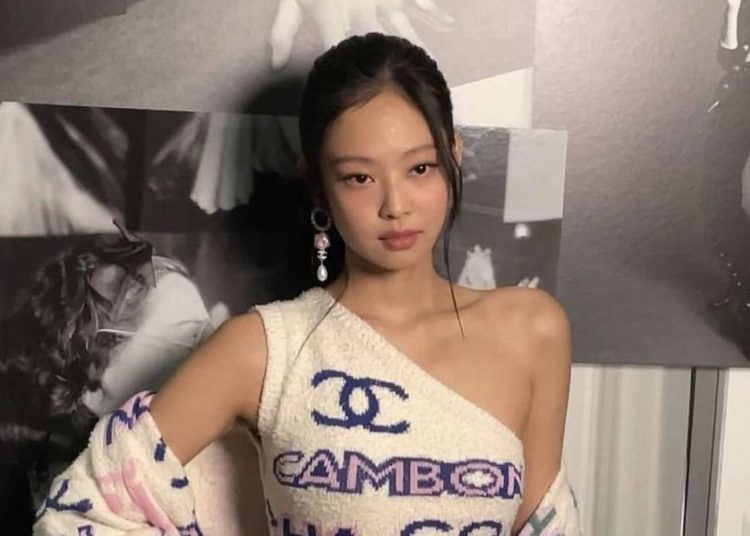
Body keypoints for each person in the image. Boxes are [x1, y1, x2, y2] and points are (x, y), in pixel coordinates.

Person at [34, 33, 580, 535]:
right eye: (359, 177)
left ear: (453, 156)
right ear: (319, 185)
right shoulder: (265, 348)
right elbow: (77, 514)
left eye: (420, 168)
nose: (396, 204)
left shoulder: (532, 330)